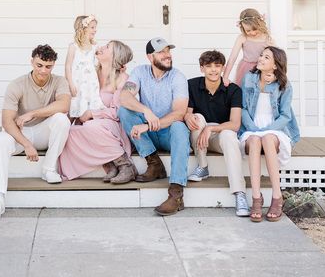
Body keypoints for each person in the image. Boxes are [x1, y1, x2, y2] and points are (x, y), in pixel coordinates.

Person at [0, 44, 71, 220]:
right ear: (32, 62)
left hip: (42, 132)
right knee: (0, 142)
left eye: (48, 67)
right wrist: (26, 144)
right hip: (19, 134)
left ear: (53, 65)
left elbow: (64, 105)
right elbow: (7, 122)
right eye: (39, 65)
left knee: (62, 120)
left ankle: (48, 169)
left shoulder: (59, 81)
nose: (43, 71)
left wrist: (32, 113)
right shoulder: (16, 85)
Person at [118, 37, 190, 216]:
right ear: (150, 57)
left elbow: (180, 112)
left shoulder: (178, 77)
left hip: (167, 134)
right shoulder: (139, 72)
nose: (167, 55)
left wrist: (148, 126)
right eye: (162, 52)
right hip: (148, 134)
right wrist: (145, 111)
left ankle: (176, 193)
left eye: (168, 51)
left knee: (180, 127)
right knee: (124, 111)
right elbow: (124, 97)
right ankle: (154, 163)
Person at [59, 40, 136, 183]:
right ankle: (109, 164)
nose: (100, 47)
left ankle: (125, 165)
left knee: (92, 126)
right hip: (87, 123)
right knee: (70, 132)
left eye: (107, 47)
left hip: (112, 124)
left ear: (115, 57)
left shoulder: (123, 79)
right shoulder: (90, 73)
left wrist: (92, 114)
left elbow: (118, 112)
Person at [185, 50, 250, 217]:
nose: (213, 70)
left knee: (229, 134)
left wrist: (212, 128)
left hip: (221, 136)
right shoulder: (192, 85)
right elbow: (188, 114)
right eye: (208, 66)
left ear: (222, 68)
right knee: (197, 118)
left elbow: (235, 124)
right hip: (199, 135)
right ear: (202, 68)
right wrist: (188, 116)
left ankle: (240, 193)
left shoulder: (234, 90)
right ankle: (202, 166)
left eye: (217, 66)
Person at [239, 46, 300, 222]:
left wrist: (267, 129)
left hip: (275, 128)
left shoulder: (284, 85)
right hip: (251, 126)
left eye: (266, 57)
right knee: (255, 141)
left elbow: (285, 115)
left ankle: (276, 196)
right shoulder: (249, 78)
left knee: (265, 138)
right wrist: (252, 128)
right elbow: (243, 108)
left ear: (275, 65)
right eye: (261, 55)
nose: (260, 58)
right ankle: (256, 198)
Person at [65, 14, 104, 120]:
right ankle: (67, 130)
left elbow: (100, 64)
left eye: (95, 27)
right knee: (74, 108)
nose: (95, 30)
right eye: (92, 27)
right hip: (77, 83)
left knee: (86, 111)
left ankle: (80, 131)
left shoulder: (95, 47)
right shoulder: (73, 47)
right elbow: (68, 67)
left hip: (90, 85)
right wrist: (70, 83)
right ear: (83, 29)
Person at [223, 8, 272, 87]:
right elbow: (232, 58)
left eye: (255, 29)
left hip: (263, 69)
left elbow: (277, 57)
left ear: (260, 24)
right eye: (248, 31)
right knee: (245, 92)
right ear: (242, 28)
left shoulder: (267, 38)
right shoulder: (242, 38)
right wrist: (225, 77)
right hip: (246, 69)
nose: (252, 33)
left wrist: (274, 74)